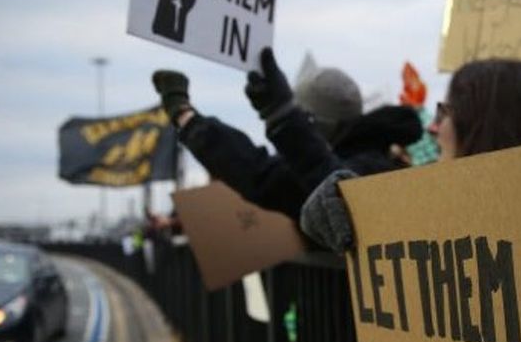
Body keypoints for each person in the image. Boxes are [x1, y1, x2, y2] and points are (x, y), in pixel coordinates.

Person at [300, 58, 521, 250]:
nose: (432, 128)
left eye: (445, 113)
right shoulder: (428, 214)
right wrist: (347, 201)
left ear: (484, 126)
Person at [153, 48, 422, 220]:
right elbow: (260, 173)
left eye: (303, 119)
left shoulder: (372, 170)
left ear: (315, 125)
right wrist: (188, 119)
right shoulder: (374, 156)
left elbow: (341, 197)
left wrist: (284, 119)